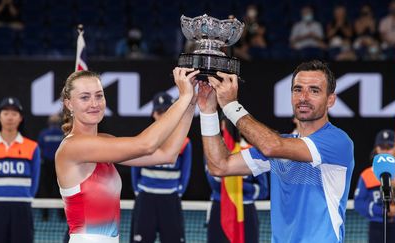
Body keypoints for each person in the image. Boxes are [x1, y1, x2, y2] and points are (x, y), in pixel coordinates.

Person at [196, 60, 354, 242]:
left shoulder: (337, 141)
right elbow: (219, 166)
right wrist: (208, 111)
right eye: (298, 89)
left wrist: (231, 106)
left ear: (330, 100)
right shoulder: (283, 145)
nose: (304, 97)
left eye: (314, 90)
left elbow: (271, 146)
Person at [55, 68, 199, 243]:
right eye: (85, 97)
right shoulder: (73, 146)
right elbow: (146, 145)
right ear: (69, 104)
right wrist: (182, 98)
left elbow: (167, 154)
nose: (94, 103)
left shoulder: (104, 142)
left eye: (99, 96)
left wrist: (191, 103)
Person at [130, 92, 192, 243]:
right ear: (153, 114)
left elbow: (186, 170)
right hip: (146, 197)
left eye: (167, 112)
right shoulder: (144, 139)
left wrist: (179, 190)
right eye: (159, 112)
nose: (163, 116)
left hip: (170, 198)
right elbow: (134, 167)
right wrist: (138, 190)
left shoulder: (183, 142)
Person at [205, 118, 268, 243]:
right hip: (220, 209)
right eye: (229, 123)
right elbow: (214, 184)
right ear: (222, 125)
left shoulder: (253, 150)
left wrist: (232, 181)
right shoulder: (213, 151)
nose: (232, 127)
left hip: (246, 211)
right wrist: (245, 185)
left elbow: (263, 191)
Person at [0, 97, 41, 243]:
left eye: (14, 113)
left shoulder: (32, 147)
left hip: (22, 207)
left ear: (20, 118)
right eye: (6, 113)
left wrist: (27, 196)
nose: (10, 117)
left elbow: (35, 178)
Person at [354, 129, 395, 243]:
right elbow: (359, 203)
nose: (386, 151)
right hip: (377, 225)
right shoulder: (367, 174)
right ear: (376, 149)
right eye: (382, 147)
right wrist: (382, 210)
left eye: (389, 147)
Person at [37, 113, 64, 220]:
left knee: (56, 190)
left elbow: (40, 149)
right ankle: (53, 215)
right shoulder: (62, 133)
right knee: (57, 190)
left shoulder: (44, 133)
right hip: (52, 165)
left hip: (57, 165)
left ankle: (47, 215)